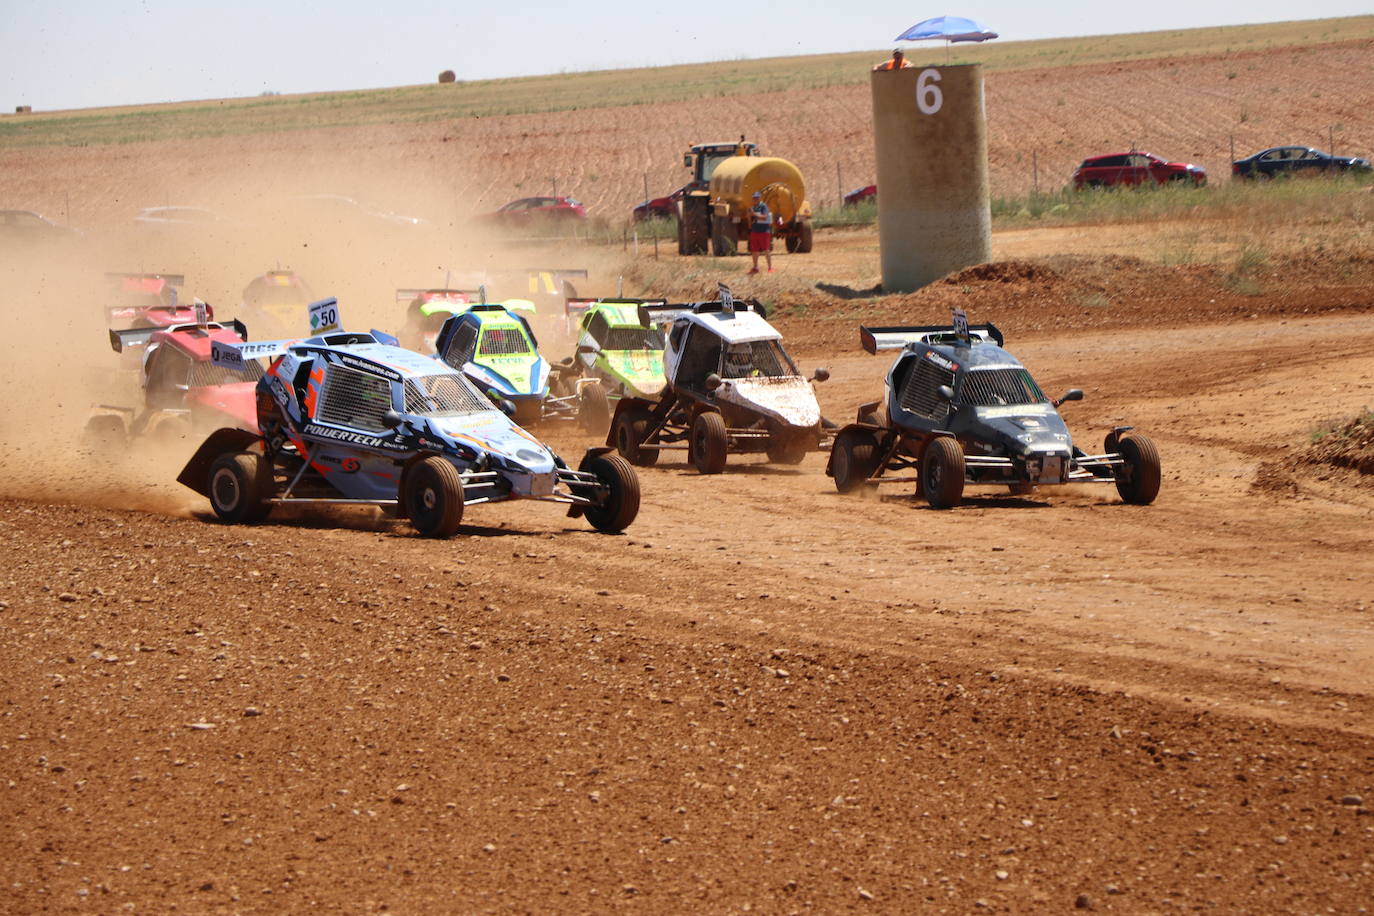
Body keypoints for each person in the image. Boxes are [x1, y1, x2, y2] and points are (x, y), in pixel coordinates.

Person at [747, 192, 773, 274]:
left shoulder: (763, 206)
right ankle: (755, 267)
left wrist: (753, 214)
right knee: (755, 250)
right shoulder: (752, 208)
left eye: (757, 198)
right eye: (754, 198)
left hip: (764, 231)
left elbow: (765, 217)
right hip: (755, 231)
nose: (755, 199)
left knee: (766, 250)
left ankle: (770, 267)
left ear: (760, 198)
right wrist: (749, 217)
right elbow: (750, 224)